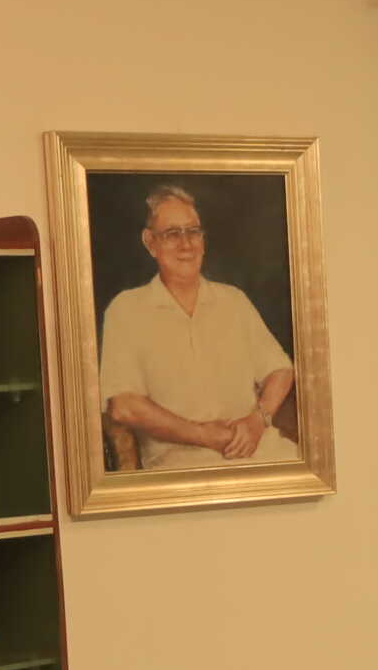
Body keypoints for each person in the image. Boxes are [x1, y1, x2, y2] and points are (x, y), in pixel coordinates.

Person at [95, 184, 301, 471]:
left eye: (193, 232)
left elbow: (280, 369)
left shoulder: (234, 300)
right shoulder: (126, 310)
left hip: (263, 451)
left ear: (203, 241)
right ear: (150, 242)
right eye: (172, 234)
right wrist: (204, 435)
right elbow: (123, 405)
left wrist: (258, 420)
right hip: (183, 466)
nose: (186, 244)